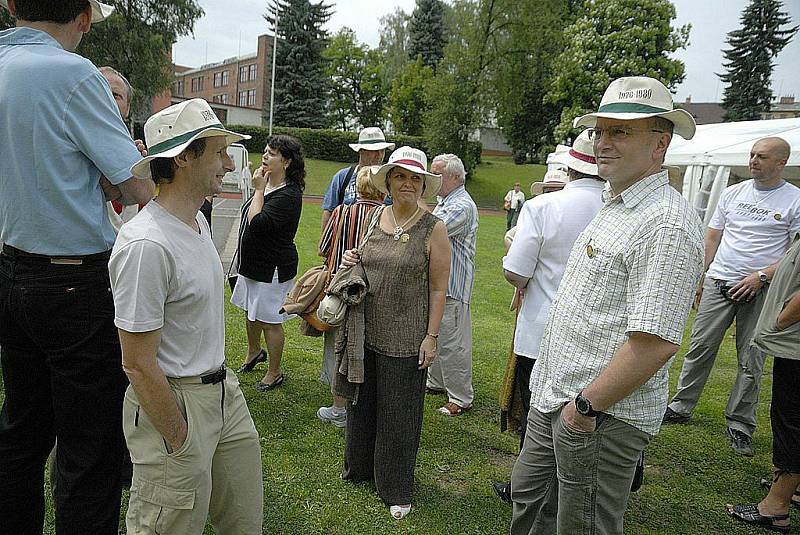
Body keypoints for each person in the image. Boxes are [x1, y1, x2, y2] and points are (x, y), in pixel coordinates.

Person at [510, 76, 704, 535]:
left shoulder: (666, 224)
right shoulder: (615, 202)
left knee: (583, 524)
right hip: (556, 393)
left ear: (661, 144)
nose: (603, 142)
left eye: (620, 131)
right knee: (530, 498)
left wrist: (586, 409)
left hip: (600, 414)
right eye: (600, 130)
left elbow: (654, 343)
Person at [0, 1, 154, 533]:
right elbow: (135, 183)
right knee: (89, 449)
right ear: (85, 17)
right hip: (71, 280)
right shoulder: (74, 73)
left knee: (21, 432)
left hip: (11, 269)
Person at [109, 98, 263, 533]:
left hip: (224, 394)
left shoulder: (197, 224)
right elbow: (136, 362)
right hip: (175, 403)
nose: (229, 165)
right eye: (218, 152)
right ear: (182, 158)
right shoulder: (146, 245)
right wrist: (178, 436)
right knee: (168, 524)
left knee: (244, 521)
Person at [663, 136, 800, 456]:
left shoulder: (794, 200)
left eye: (762, 156)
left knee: (751, 357)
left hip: (763, 288)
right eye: (752, 154)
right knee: (699, 347)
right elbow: (712, 237)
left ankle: (740, 424)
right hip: (719, 282)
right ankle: (681, 406)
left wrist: (762, 275)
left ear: (781, 163)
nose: (753, 160)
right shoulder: (732, 193)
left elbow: (795, 254)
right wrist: (701, 275)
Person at [338, 146, 451, 520]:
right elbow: (366, 261)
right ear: (387, 181)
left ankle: (396, 488)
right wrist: (351, 260)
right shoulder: (375, 217)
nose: (407, 183)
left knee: (399, 416)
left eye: (414, 178)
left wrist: (431, 337)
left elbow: (439, 289)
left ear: (423, 185)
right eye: (400, 176)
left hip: (407, 338)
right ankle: (361, 470)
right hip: (366, 330)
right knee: (362, 405)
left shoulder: (434, 228)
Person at [494, 130, 605, 503]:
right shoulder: (617, 209)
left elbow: (516, 272)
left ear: (570, 167)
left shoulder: (542, 207)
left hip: (543, 329)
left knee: (538, 416)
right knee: (585, 414)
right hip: (596, 336)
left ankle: (531, 487)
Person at [725, 235, 800, 532]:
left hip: (795, 343)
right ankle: (793, 489)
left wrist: (781, 320)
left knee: (791, 419)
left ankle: (775, 507)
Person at [231, 134, 304, 392]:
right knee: (250, 311)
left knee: (269, 319)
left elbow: (258, 223)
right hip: (253, 263)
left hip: (272, 267)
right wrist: (260, 189)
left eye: (272, 154)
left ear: (286, 161)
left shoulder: (290, 195)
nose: (265, 156)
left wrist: (259, 190)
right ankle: (254, 352)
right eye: (265, 151)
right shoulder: (268, 186)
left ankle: (274, 372)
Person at [316, 166, 385, 427]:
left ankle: (338, 408)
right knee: (367, 346)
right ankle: (363, 405)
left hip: (339, 286)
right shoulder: (384, 216)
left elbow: (323, 248)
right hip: (372, 290)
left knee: (338, 346)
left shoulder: (341, 212)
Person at [425, 154, 479, 416]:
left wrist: (415, 202)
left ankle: (460, 397)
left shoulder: (461, 206)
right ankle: (435, 382)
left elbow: (432, 231)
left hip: (453, 287)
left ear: (455, 177)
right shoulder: (446, 201)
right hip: (440, 284)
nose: (432, 180)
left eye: (438, 175)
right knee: (436, 334)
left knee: (453, 343)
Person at [321, 126, 394, 230]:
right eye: (374, 150)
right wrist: (324, 243)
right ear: (361, 151)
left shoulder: (390, 180)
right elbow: (328, 212)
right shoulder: (343, 177)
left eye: (382, 150)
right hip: (346, 242)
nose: (379, 155)